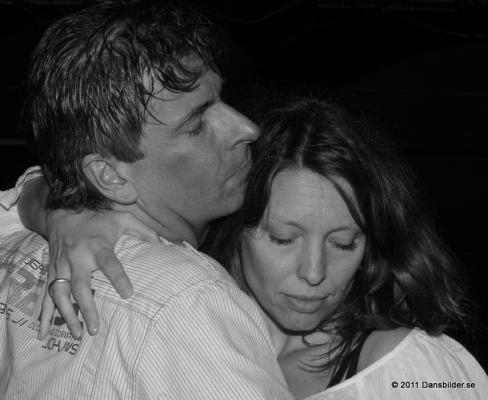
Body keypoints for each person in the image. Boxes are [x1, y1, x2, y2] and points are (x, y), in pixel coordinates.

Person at [20, 96, 488, 399]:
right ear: (236, 227)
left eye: (345, 243)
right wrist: (65, 214)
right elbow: (29, 187)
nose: (314, 272)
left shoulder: (409, 368)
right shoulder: (193, 322)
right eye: (283, 239)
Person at [0, 1, 295, 399]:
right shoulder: (189, 300)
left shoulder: (15, 243)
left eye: (221, 100)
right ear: (110, 175)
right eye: (197, 124)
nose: (247, 128)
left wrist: (52, 204)